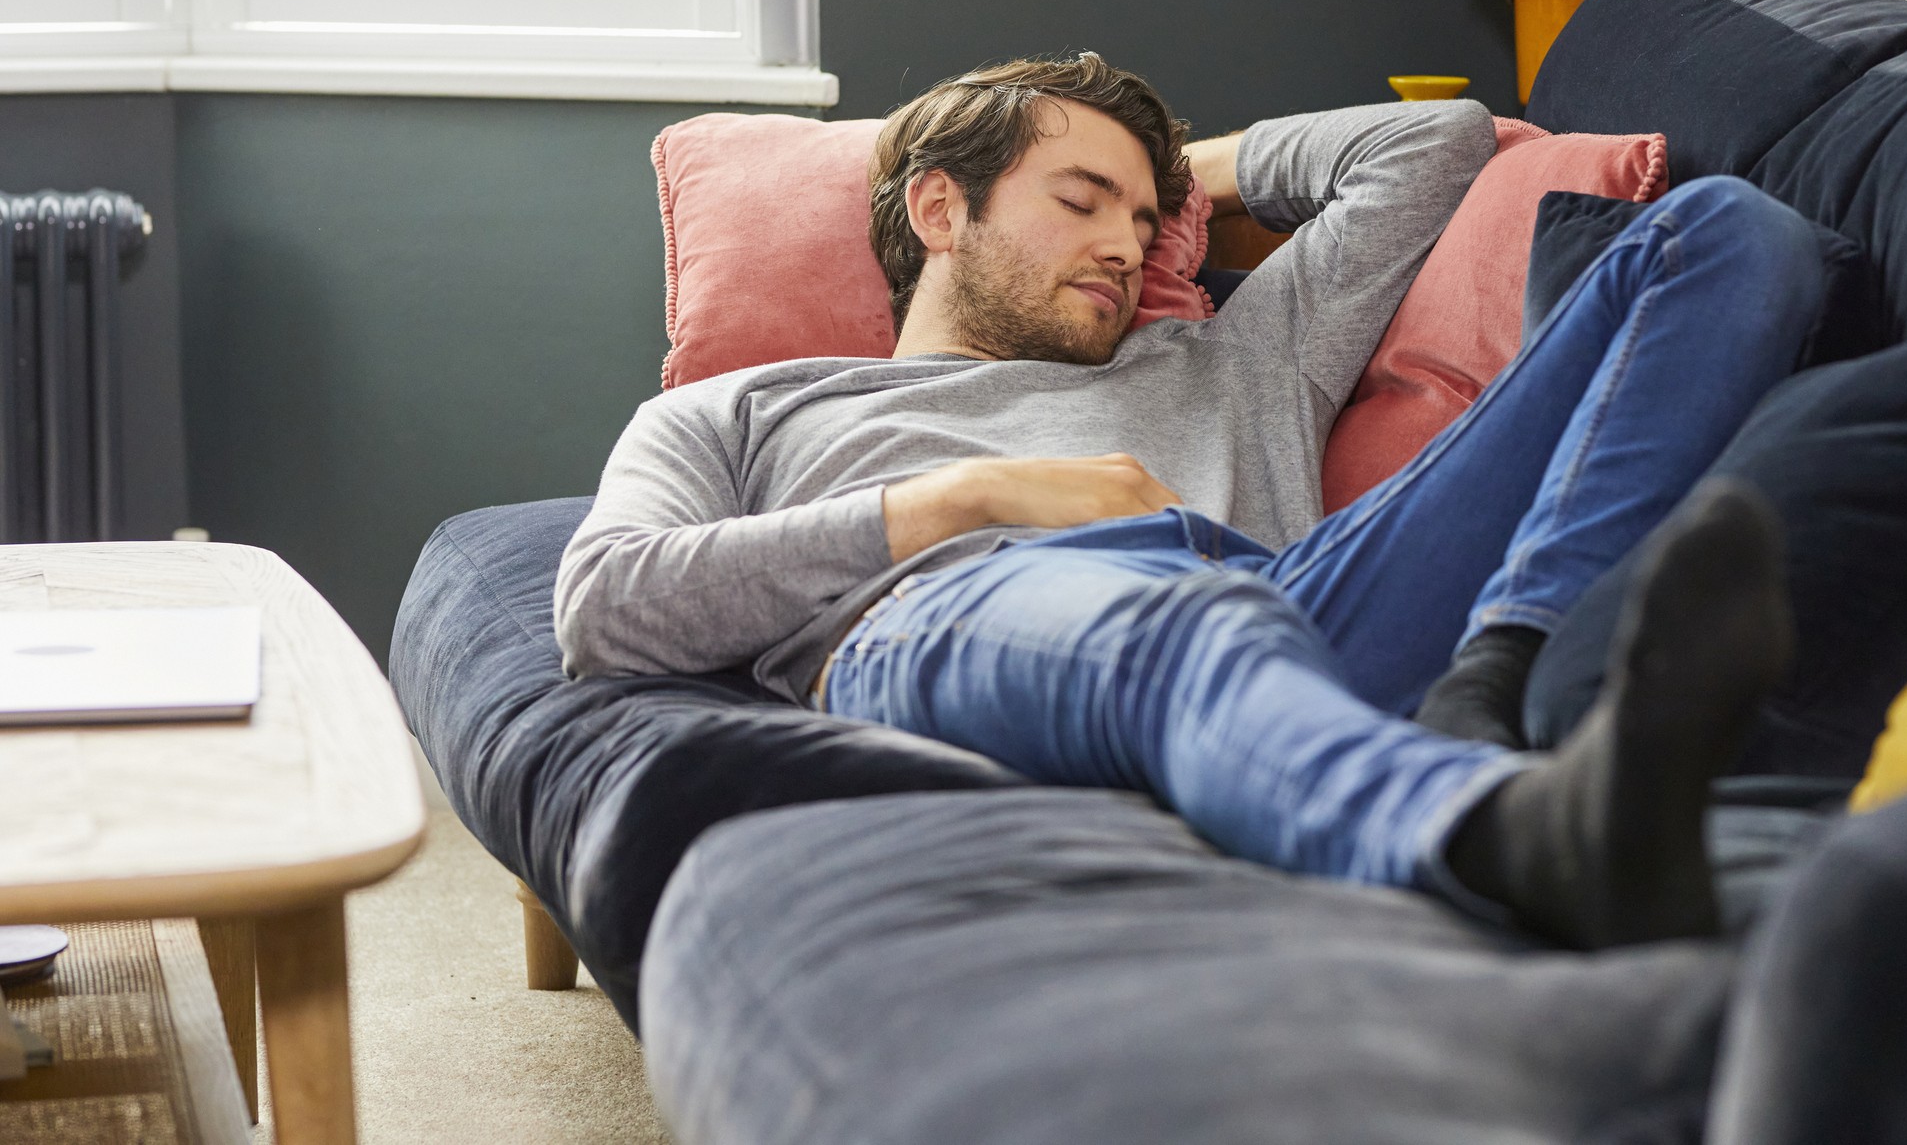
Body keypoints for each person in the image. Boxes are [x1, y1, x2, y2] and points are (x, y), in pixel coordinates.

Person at [557, 53, 1824, 950]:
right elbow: (605, 606)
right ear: (940, 208)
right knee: (1180, 624)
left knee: (1727, 233)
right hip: (962, 611)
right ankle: (1512, 832)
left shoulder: (1241, 350)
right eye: (1079, 200)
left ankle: (1495, 673)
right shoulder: (747, 406)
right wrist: (968, 497)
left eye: (1146, 215)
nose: (1125, 241)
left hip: (1299, 599)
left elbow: (1435, 140)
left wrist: (1183, 170)